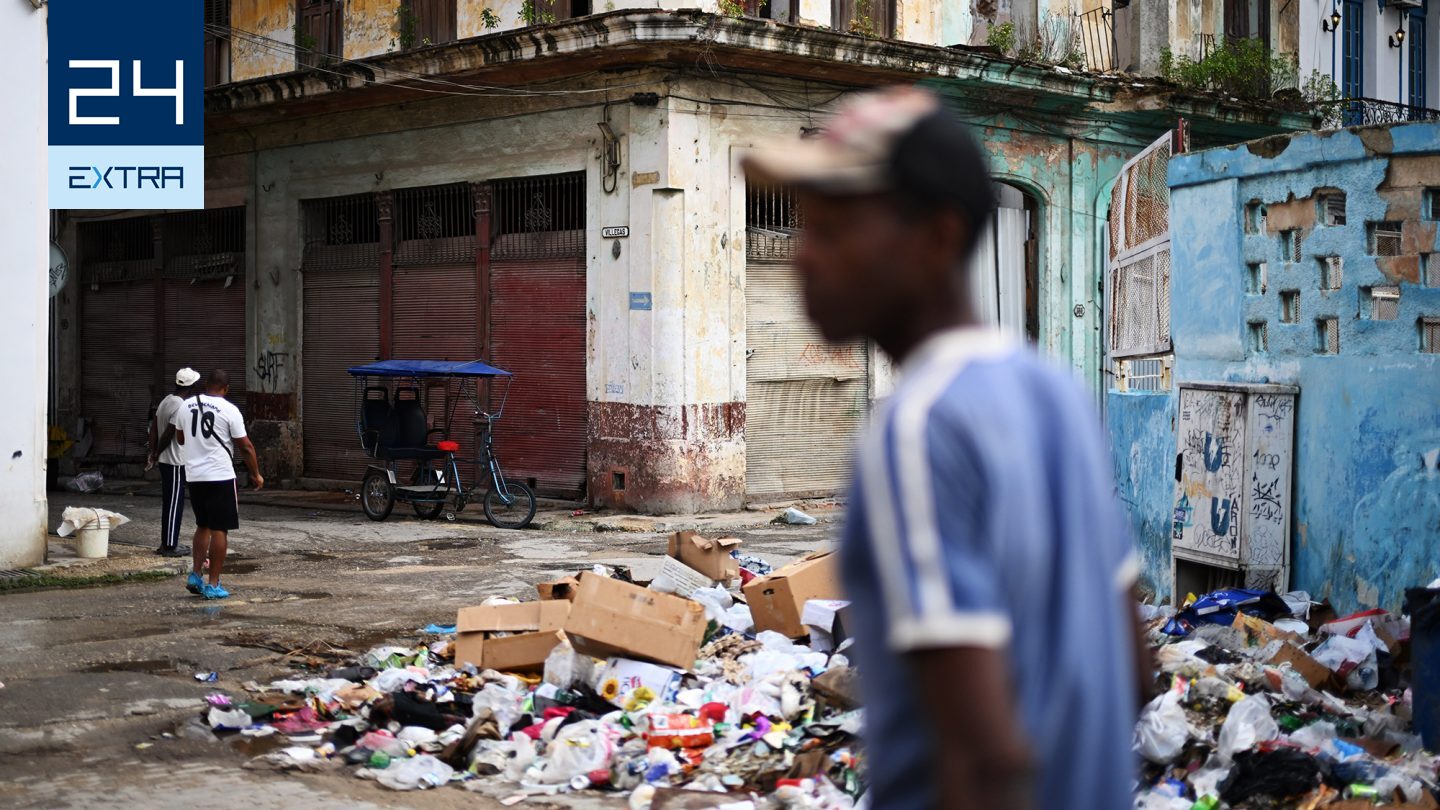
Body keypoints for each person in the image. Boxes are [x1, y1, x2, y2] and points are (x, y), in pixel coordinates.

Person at [745, 87, 1149, 810]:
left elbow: (986, 760)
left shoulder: (916, 429)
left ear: (934, 238)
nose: (802, 257)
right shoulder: (1051, 389)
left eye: (833, 230)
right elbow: (1135, 668)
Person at [172, 369, 264, 600]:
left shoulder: (186, 405)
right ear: (226, 389)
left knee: (202, 524)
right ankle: (213, 584)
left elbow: (180, 438)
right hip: (220, 475)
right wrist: (256, 474)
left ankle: (195, 575)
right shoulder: (230, 409)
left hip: (194, 475)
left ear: (206, 386)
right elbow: (246, 446)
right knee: (219, 529)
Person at [148, 367, 200, 557]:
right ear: (191, 386)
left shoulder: (166, 401)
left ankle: (168, 542)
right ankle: (170, 546)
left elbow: (153, 428)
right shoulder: (180, 406)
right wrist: (155, 452)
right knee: (173, 504)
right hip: (175, 461)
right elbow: (169, 433)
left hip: (166, 460)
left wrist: (152, 452)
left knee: (170, 502)